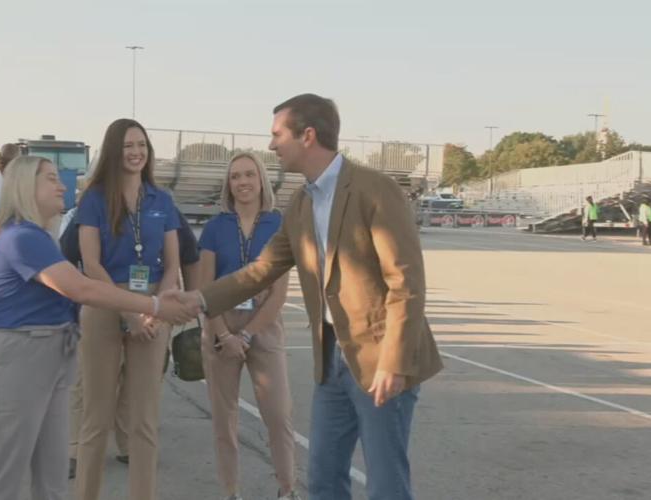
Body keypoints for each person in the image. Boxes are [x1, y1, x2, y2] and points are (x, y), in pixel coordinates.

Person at [171, 94, 443, 500]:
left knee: (386, 484)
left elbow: (406, 281)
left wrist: (395, 359)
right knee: (322, 481)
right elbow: (261, 271)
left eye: (277, 134)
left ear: (308, 136)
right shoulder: (300, 204)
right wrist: (198, 300)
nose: (271, 145)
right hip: (332, 360)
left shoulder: (375, 189)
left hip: (380, 357)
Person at [0, 155, 192, 500]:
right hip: (16, 357)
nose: (62, 186)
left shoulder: (37, 237)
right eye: (51, 179)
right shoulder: (21, 237)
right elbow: (81, 288)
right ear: (26, 187)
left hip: (49, 353)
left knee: (53, 473)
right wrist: (156, 305)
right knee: (4, 479)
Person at [74, 119, 182, 500]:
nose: (136, 153)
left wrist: (157, 309)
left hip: (154, 307)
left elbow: (172, 265)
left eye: (142, 145)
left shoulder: (161, 200)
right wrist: (128, 313)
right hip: (105, 303)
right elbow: (90, 264)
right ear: (114, 152)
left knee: (145, 422)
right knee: (95, 419)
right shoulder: (94, 199)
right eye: (127, 146)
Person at [60, 202, 201, 479]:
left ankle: (128, 445)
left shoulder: (162, 206)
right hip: (104, 303)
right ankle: (75, 449)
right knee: (87, 381)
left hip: (154, 303)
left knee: (138, 383)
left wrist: (189, 302)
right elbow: (69, 256)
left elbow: (188, 255)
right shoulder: (92, 208)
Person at [197, 152, 299, 500]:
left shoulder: (278, 224)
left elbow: (279, 294)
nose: (242, 182)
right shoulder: (214, 228)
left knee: (278, 415)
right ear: (228, 184)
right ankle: (231, 492)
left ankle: (287, 489)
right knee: (224, 421)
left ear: (261, 181)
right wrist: (224, 334)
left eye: (249, 175)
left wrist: (246, 334)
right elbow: (204, 289)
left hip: (264, 326)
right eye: (235, 176)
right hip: (219, 328)